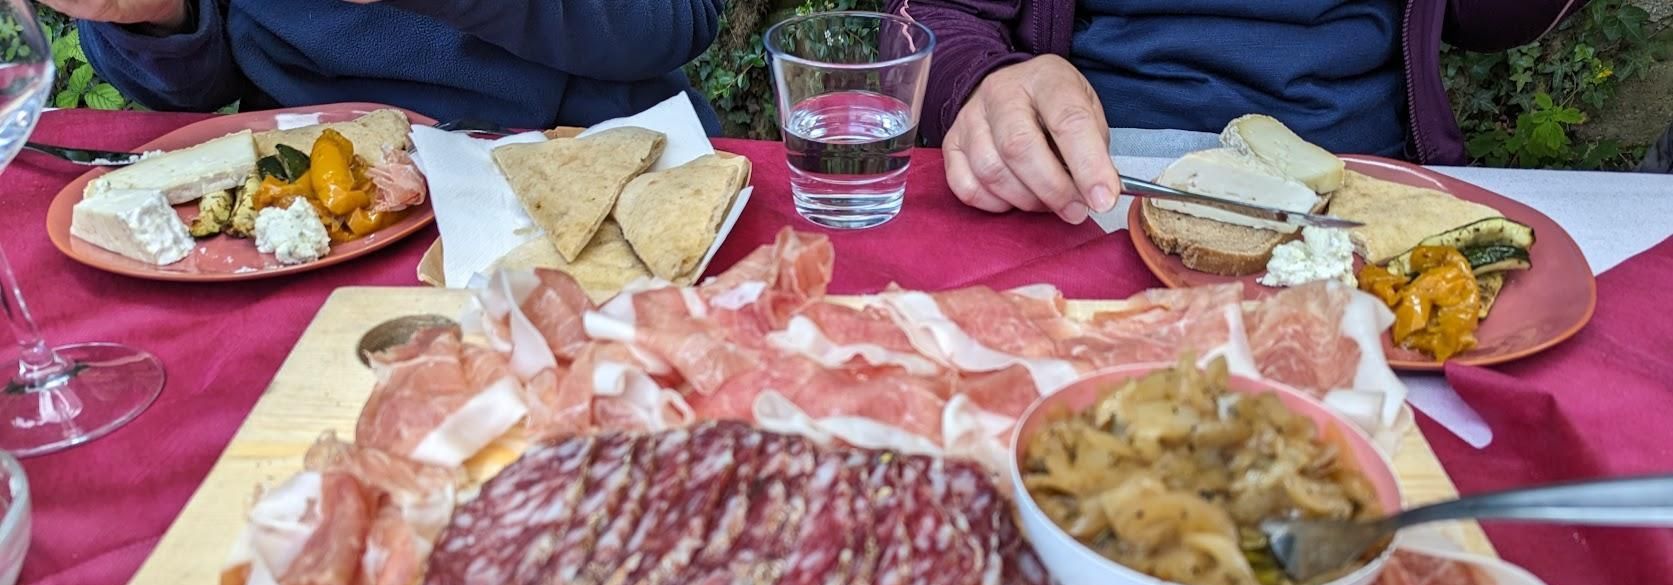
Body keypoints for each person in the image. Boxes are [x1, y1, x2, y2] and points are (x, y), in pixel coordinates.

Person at [890, 0, 1585, 224]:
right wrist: (984, 82)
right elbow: (939, 18)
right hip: (1097, 189)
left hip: (1362, 191)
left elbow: (1489, 18)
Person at [39, 0, 726, 133]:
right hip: (325, 211)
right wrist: (158, 17)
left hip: (602, 168)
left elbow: (672, 25)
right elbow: (197, 85)